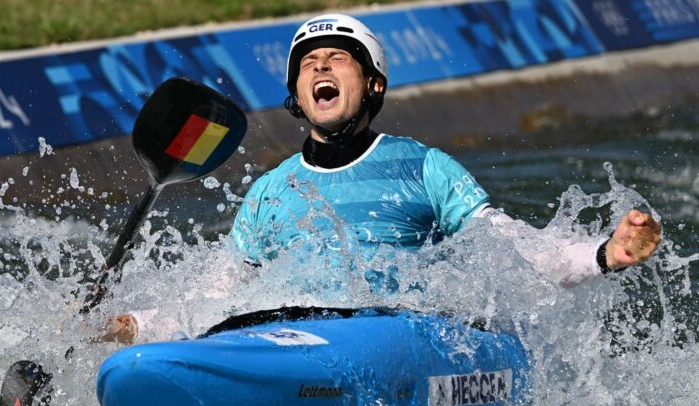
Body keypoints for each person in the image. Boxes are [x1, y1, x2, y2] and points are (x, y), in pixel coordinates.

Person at [105, 13, 661, 343]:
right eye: (308, 62)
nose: (320, 67)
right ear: (296, 95)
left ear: (373, 85)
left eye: (337, 59)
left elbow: (515, 253)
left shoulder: (424, 168)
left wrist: (604, 254)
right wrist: (123, 326)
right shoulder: (268, 193)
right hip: (293, 344)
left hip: (395, 341)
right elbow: (212, 301)